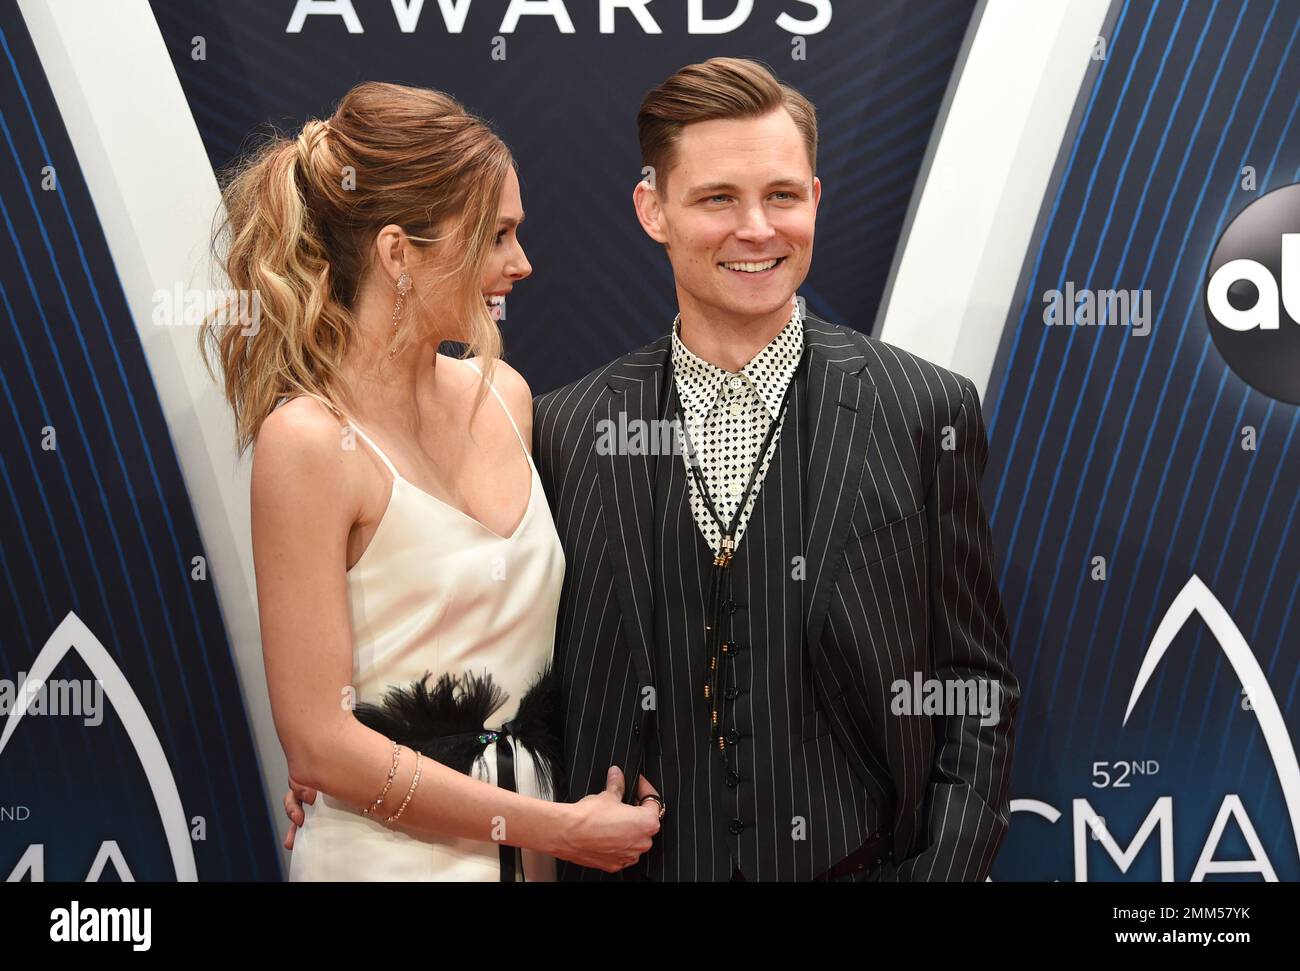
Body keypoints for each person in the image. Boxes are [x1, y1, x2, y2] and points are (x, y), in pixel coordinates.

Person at [530, 57, 1021, 881]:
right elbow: (519, 674)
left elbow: (975, 684)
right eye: (719, 197)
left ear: (815, 201)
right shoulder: (567, 427)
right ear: (654, 209)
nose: (757, 228)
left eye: (782, 196)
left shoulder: (922, 408)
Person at [203, 81, 660, 881]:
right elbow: (318, 741)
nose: (522, 263)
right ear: (397, 254)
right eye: (496, 236)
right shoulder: (306, 441)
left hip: (531, 855)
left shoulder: (506, 397)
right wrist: (559, 827)